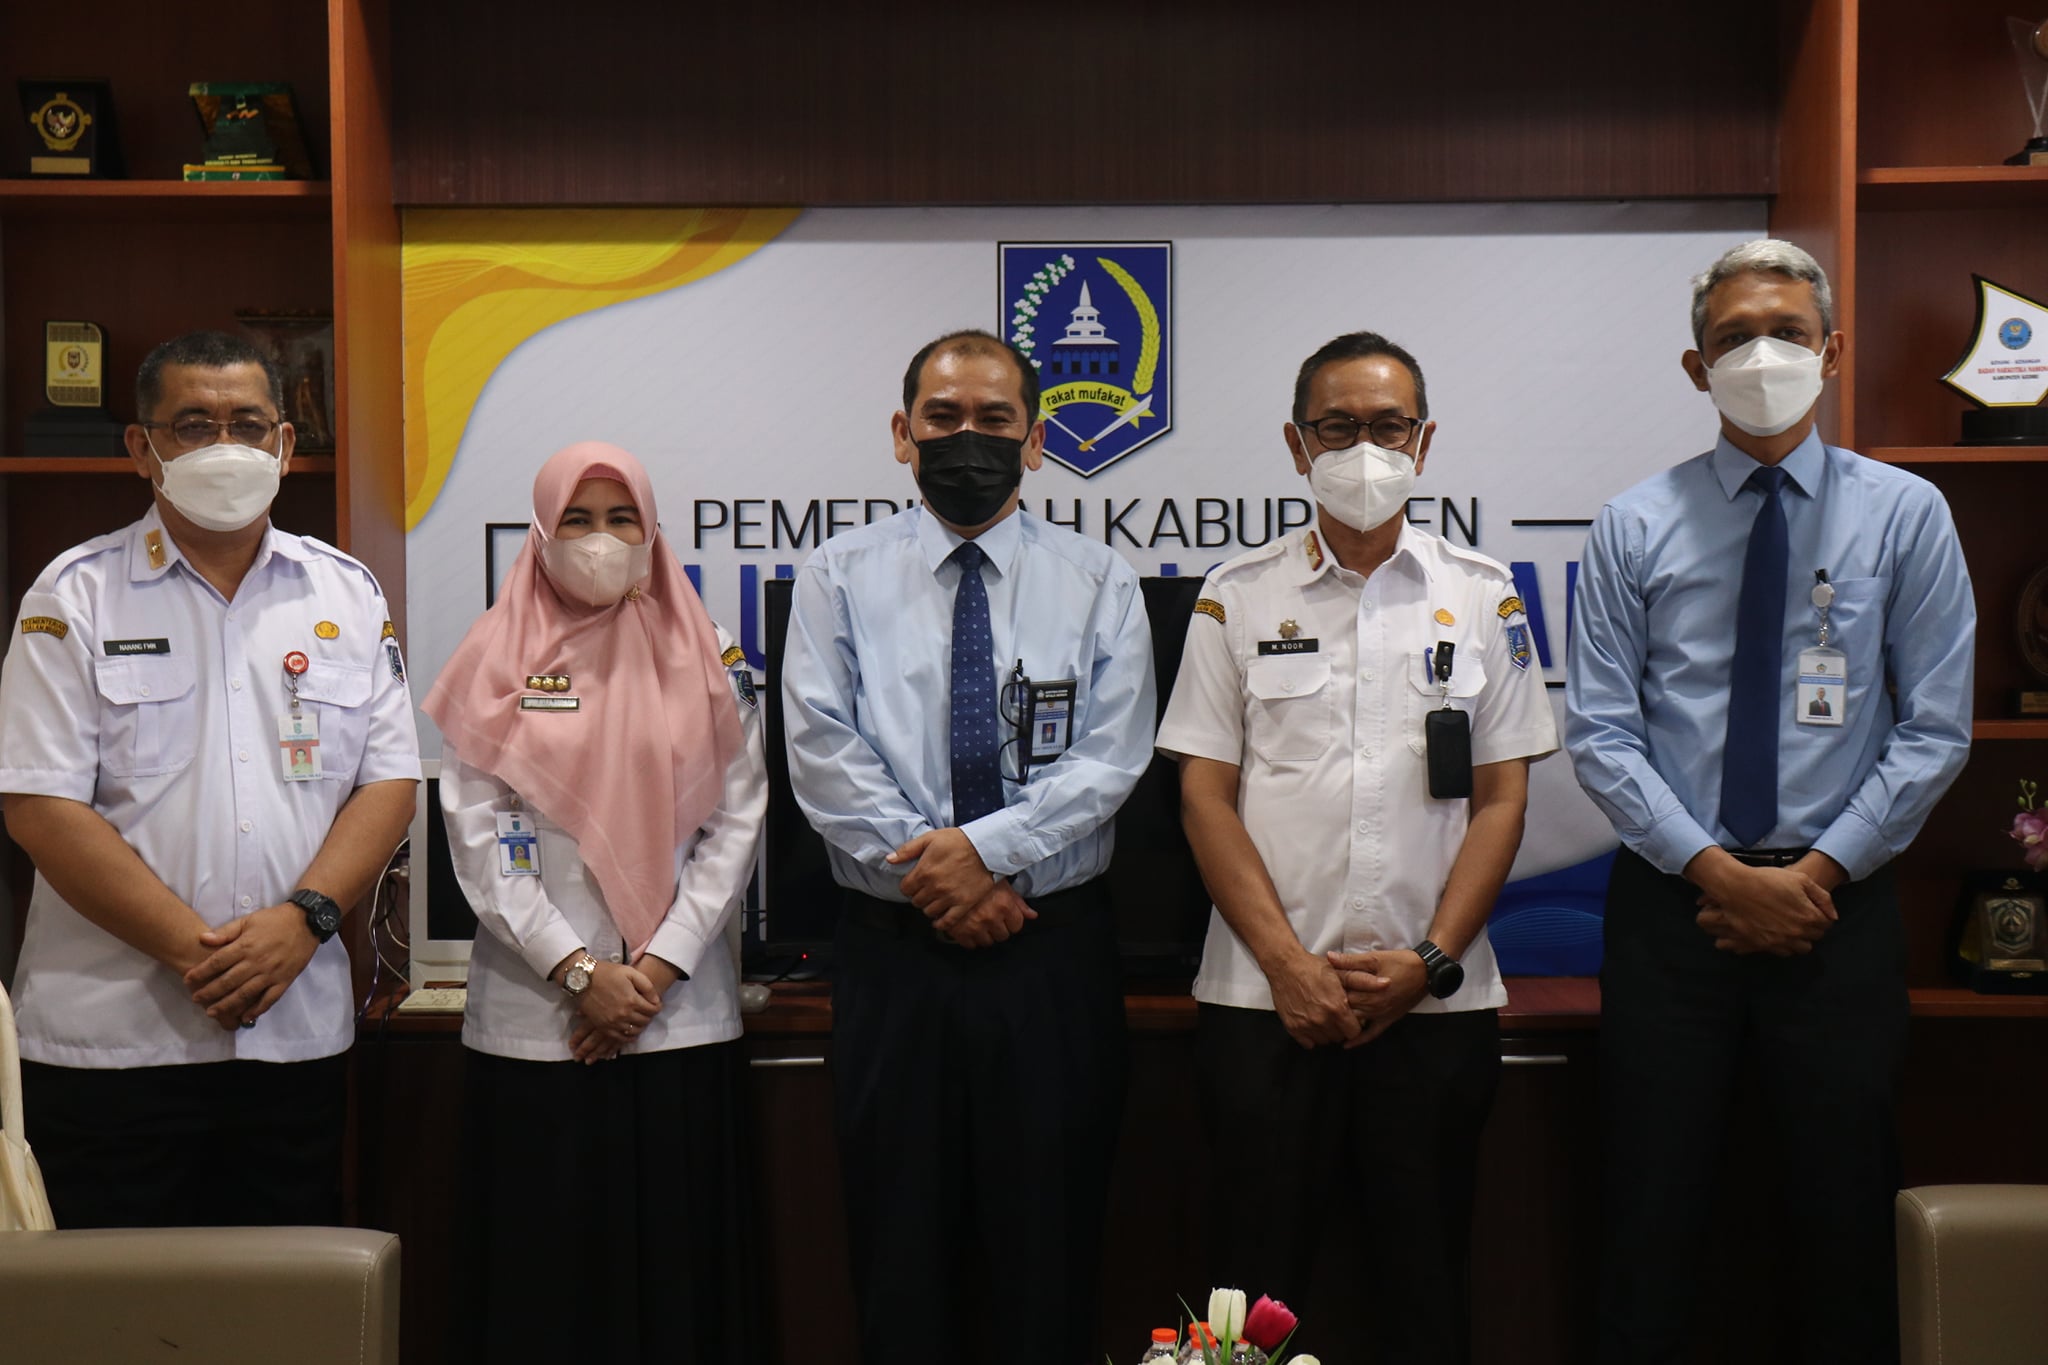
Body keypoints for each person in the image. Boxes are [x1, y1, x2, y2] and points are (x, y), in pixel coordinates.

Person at [1566, 238, 1974, 1364]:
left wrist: (1812, 875)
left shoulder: (1905, 515)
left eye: (1786, 333)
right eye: (1732, 338)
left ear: (1831, 352)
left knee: (1844, 1218)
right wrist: (1717, 874)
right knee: (1647, 1217)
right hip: (1672, 910)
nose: (1760, 356)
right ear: (1694, 368)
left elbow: (1934, 726)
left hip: (1836, 910)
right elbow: (1600, 733)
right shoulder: (1631, 524)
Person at [1156, 330, 1557, 1361]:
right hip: (1263, 1006)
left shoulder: (1484, 592)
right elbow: (1203, 794)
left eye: (1387, 426)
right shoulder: (1237, 593)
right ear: (1298, 445)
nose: (1364, 448)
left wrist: (1427, 962)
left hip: (1432, 1008)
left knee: (1422, 1294)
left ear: (1423, 441)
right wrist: (1288, 966)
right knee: (1246, 1305)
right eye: (1337, 427)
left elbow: (1502, 798)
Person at [781, 329, 1155, 1365]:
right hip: (893, 958)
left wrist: (982, 854)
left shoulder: (1099, 580)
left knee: (1051, 1253)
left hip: (1051, 958)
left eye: (995, 420)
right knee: (898, 1255)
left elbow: (1112, 756)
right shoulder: (837, 575)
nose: (967, 439)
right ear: (902, 435)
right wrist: (942, 875)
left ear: (1035, 443)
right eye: (942, 418)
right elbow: (820, 749)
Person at [0, 330, 420, 1228]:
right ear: (140, 447)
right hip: (111, 1048)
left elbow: (388, 784)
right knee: (111, 1302)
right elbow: (40, 806)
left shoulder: (345, 593)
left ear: (285, 443)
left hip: (292, 1039)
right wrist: (206, 956)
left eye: (247, 424)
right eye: (193, 425)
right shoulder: (74, 594)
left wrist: (303, 922)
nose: (224, 445)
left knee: (283, 1299)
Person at [422, 442, 765, 1363]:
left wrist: (653, 968)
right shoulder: (494, 656)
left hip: (675, 1017)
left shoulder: (708, 654)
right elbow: (477, 833)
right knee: (544, 1287)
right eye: (576, 519)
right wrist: (579, 971)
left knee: (678, 1282)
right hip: (540, 1024)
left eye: (621, 518)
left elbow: (737, 823)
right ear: (540, 533)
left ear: (652, 532)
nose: (601, 540)